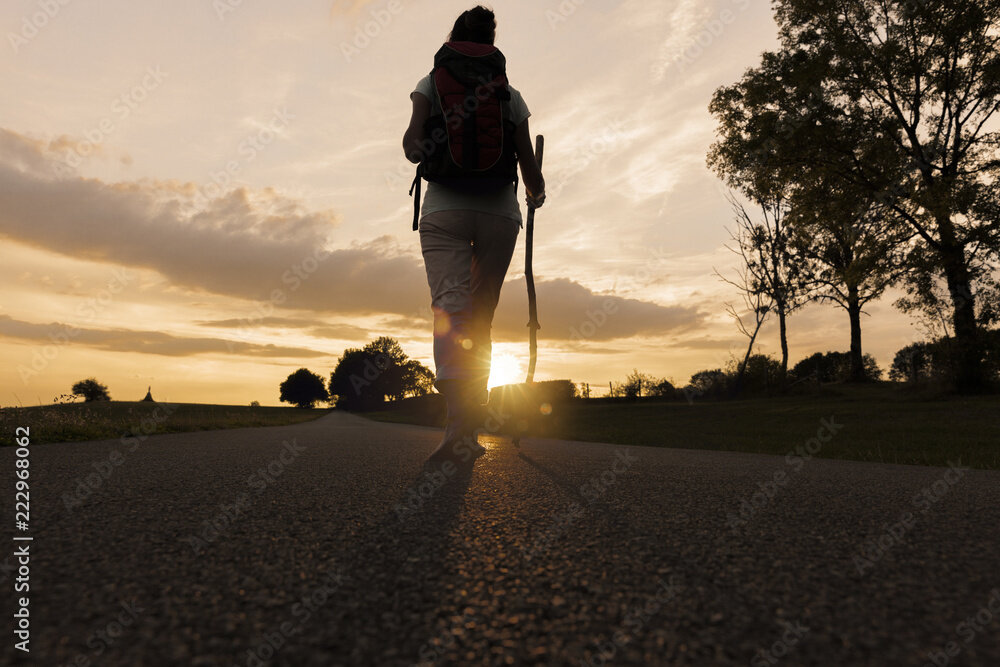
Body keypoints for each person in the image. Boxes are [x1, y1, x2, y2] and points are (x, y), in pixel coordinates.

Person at [402, 6, 545, 465]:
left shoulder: (430, 83)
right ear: (492, 45)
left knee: (450, 311)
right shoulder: (511, 95)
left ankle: (457, 424)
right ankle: (469, 423)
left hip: (443, 211)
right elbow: (529, 169)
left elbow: (410, 148)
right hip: (499, 216)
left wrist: (435, 144)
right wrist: (536, 192)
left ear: (453, 39)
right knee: (480, 318)